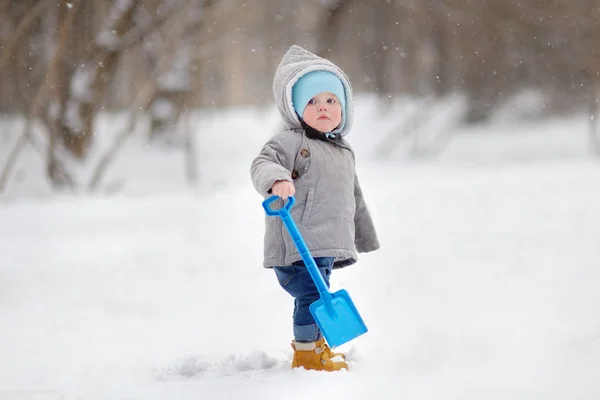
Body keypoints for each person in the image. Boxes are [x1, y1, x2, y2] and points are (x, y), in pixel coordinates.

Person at [250, 45, 380, 372]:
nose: (323, 108)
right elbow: (262, 163)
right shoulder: (291, 142)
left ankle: (316, 345)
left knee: (321, 297)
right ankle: (307, 353)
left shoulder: (343, 151)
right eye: (312, 102)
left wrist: (362, 236)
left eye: (331, 101)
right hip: (299, 241)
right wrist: (277, 180)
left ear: (344, 108)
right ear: (295, 109)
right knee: (311, 297)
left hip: (325, 242)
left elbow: (354, 197)